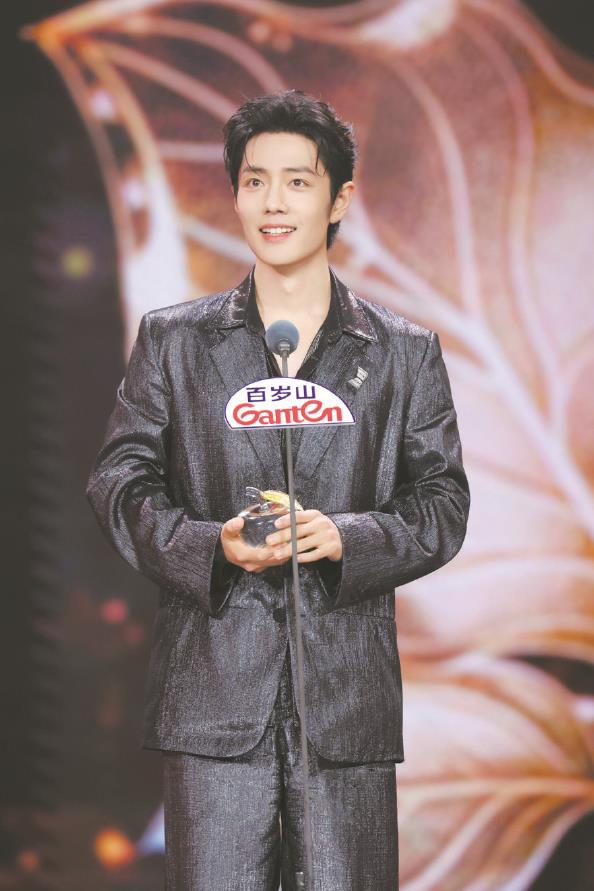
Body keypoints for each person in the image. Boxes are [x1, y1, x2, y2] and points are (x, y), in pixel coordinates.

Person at [86, 90, 470, 890]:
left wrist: (346, 536)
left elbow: (442, 500)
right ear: (234, 195)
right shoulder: (174, 342)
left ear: (340, 199)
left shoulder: (402, 353)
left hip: (347, 708)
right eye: (255, 181)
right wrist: (209, 545)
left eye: (298, 181)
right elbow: (119, 481)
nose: (274, 202)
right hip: (213, 702)